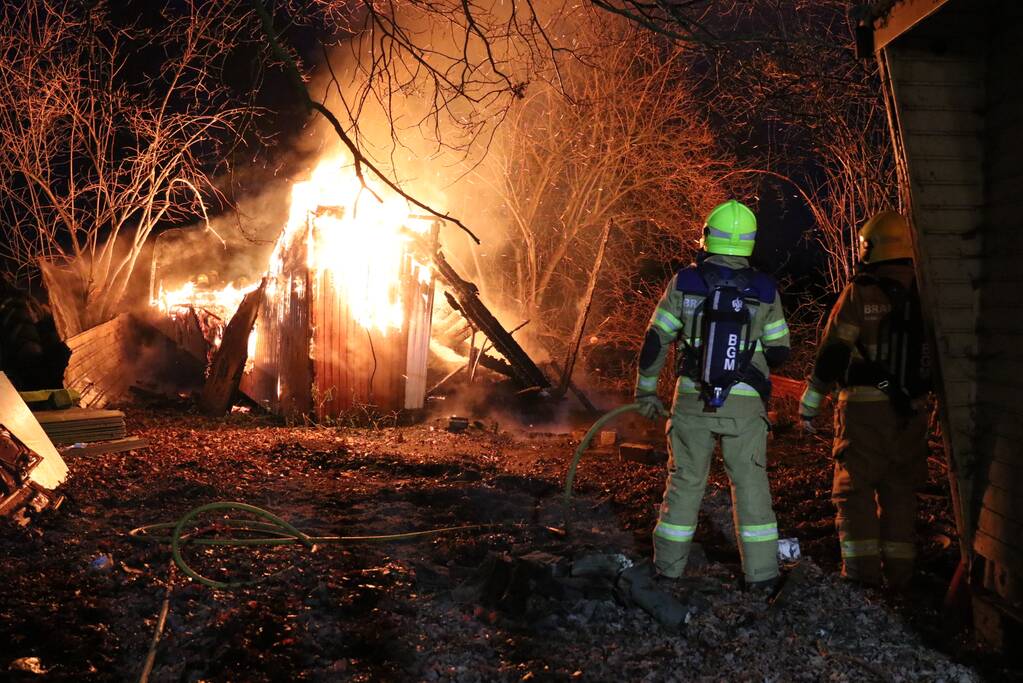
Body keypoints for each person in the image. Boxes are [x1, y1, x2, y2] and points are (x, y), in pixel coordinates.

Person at [634, 200, 791, 589]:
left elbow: (655, 341)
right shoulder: (766, 289)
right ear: (750, 242)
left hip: (691, 401)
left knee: (686, 480)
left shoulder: (685, 282)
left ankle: (668, 569)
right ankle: (763, 575)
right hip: (744, 406)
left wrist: (646, 390)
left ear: (707, 236)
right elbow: (780, 352)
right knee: (751, 483)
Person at [799, 210, 931, 589]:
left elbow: (834, 352)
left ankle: (861, 576)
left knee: (853, 489)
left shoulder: (862, 291)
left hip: (864, 413)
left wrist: (811, 401)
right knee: (900, 490)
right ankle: (901, 576)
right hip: (912, 410)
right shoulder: (926, 291)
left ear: (873, 247)